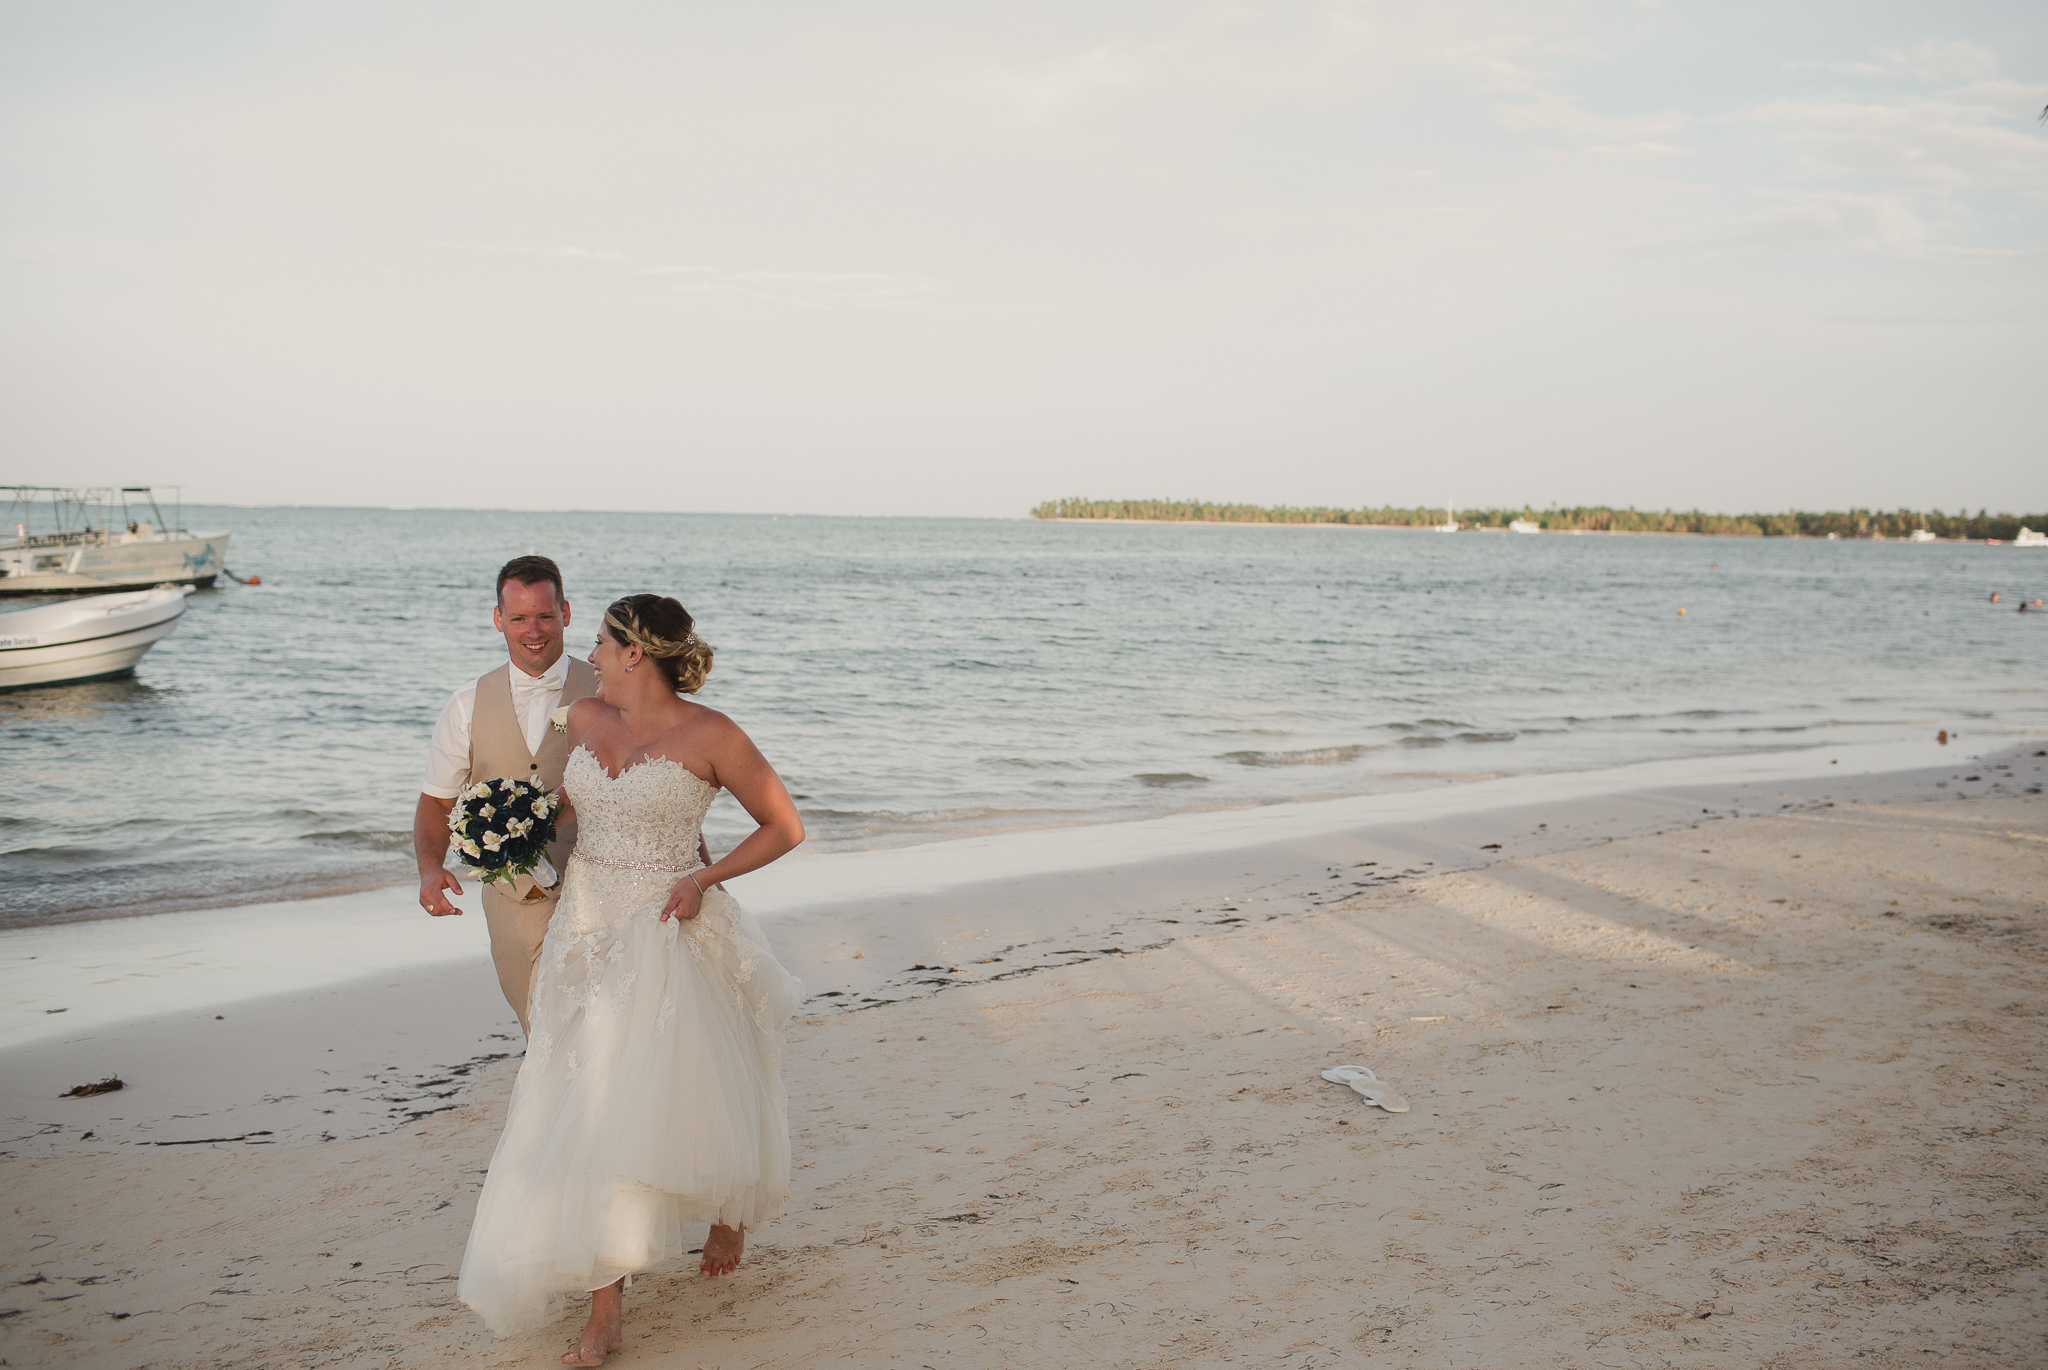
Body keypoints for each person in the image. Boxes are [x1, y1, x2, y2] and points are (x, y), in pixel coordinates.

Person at [457, 594, 805, 1366]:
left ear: (635, 653)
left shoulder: (712, 735)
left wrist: (704, 880)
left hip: (662, 922)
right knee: (576, 1101)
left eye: (603, 642)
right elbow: (575, 810)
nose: (593, 652)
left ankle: (718, 1214)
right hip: (583, 924)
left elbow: (785, 826)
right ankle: (606, 1305)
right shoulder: (583, 720)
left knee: (669, 1093)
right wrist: (510, 827)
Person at [415, 556, 600, 1034]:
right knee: (541, 1034)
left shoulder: (609, 691)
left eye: (544, 615)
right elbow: (436, 802)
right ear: (499, 618)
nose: (533, 630)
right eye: (518, 618)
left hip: (605, 891)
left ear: (566, 612)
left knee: (606, 1033)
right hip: (514, 901)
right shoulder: (465, 705)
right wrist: (431, 869)